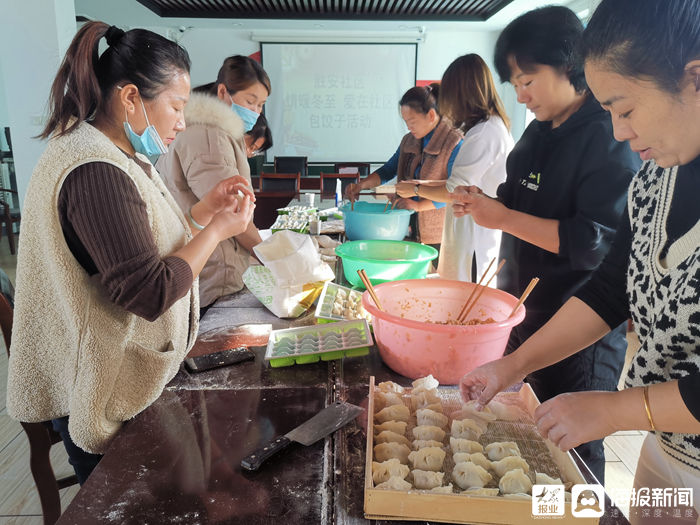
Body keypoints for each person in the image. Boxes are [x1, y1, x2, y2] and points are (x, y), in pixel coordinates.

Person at [460, 1, 700, 520]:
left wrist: (617, 409)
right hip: (666, 453)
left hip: (659, 427)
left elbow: (585, 245)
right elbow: (611, 288)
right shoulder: (655, 180)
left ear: (694, 79)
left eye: (625, 109)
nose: (617, 132)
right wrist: (512, 365)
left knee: (577, 487)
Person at [5, 22, 254, 484]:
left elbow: (143, 243)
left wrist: (202, 213)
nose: (182, 121)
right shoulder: (96, 170)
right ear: (131, 98)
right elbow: (150, 290)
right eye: (176, 107)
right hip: (101, 387)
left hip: (120, 371)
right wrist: (219, 230)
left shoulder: (115, 154)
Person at [451, 6, 640, 484]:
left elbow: (592, 244)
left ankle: (586, 512)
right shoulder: (536, 134)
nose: (521, 94)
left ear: (569, 65)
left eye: (528, 79)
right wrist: (484, 204)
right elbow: (512, 205)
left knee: (573, 441)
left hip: (581, 324)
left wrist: (505, 216)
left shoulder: (608, 134)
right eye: (515, 82)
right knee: (529, 428)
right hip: (525, 310)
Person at [157, 55, 270, 312]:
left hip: (206, 263)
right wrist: (271, 259)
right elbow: (231, 211)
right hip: (213, 270)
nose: (255, 112)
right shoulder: (208, 134)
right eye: (250, 102)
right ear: (223, 92)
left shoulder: (214, 129)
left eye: (261, 105)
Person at [394, 54, 512, 283]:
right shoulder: (484, 130)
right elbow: (462, 184)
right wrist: (417, 185)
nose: (446, 109)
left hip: (475, 241)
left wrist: (416, 192)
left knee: (465, 302)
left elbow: (453, 190)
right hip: (467, 235)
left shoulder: (484, 133)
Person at [344, 84, 463, 252]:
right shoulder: (409, 140)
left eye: (412, 121)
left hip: (437, 234)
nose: (408, 127)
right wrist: (361, 185)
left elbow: (453, 192)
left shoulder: (454, 142)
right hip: (404, 226)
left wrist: (418, 205)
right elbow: (388, 170)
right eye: (406, 122)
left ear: (430, 115)